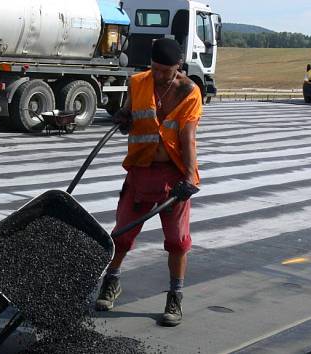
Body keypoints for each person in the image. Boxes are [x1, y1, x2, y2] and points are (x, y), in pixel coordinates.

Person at [95, 38, 202, 327]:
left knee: (178, 242)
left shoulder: (189, 92)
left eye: (164, 71)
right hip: (141, 170)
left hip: (173, 175)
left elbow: (187, 136)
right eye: (154, 68)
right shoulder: (138, 82)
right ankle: (112, 282)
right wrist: (123, 118)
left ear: (177, 67)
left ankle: (175, 297)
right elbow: (130, 116)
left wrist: (190, 176)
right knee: (122, 236)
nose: (157, 75)